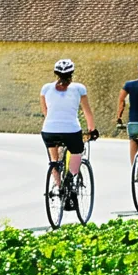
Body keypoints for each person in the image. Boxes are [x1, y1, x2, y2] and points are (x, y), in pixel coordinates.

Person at [40, 59, 98, 210]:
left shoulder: (45, 88)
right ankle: (70, 181)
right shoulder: (79, 88)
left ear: (55, 73)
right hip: (71, 130)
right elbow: (87, 112)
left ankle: (59, 187)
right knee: (77, 152)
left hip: (49, 130)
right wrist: (92, 130)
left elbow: (46, 112)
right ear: (72, 74)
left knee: (54, 160)